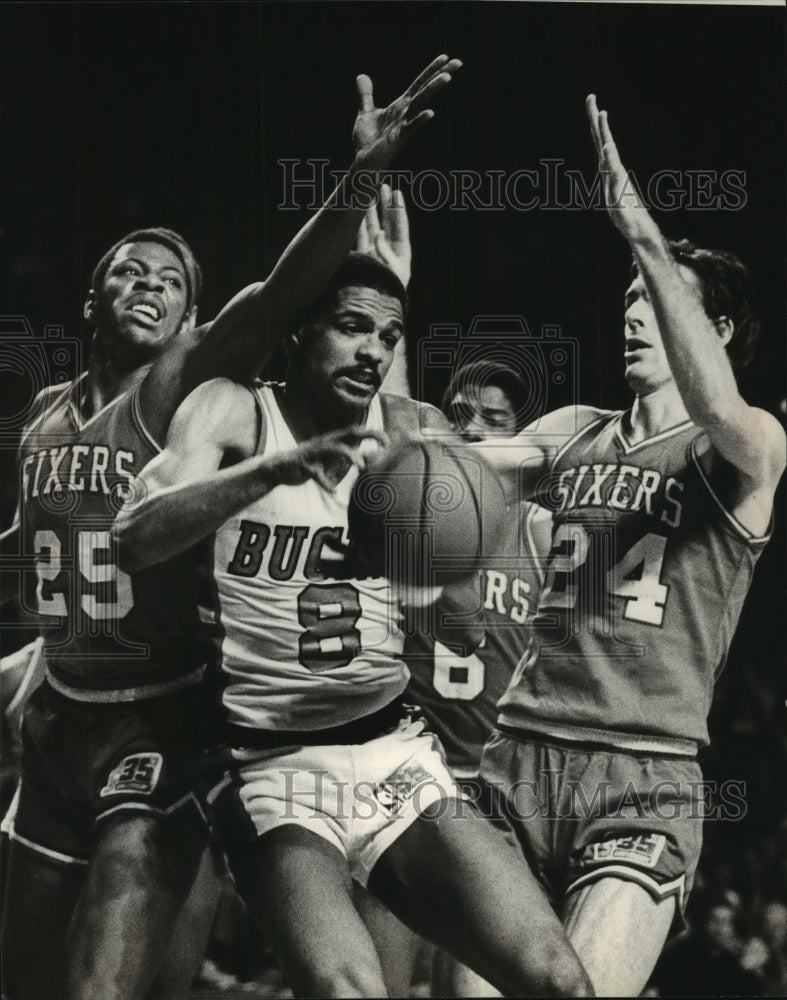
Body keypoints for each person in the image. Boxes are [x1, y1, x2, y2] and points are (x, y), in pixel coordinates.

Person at [0, 54, 462, 1000]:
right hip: (57, 726)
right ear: (88, 302)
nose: (146, 282)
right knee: (25, 977)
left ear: (191, 318)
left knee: (102, 986)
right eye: (125, 269)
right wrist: (34, 660)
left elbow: (290, 289)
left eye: (169, 279)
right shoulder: (41, 414)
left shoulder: (183, 389)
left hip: (162, 714)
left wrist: (361, 176)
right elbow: (49, 565)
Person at [113, 209, 593, 996]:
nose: (370, 350)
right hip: (270, 767)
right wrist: (274, 470)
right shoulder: (235, 410)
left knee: (557, 979)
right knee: (350, 991)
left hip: (393, 753)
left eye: (387, 336)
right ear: (301, 332)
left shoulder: (408, 440)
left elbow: (534, 453)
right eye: (349, 328)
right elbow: (134, 535)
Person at [476, 95, 786, 995]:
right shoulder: (572, 431)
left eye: (654, 301)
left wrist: (643, 238)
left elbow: (723, 410)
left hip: (641, 771)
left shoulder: (747, 446)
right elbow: (451, 466)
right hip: (516, 754)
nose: (634, 313)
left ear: (715, 332)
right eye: (627, 299)